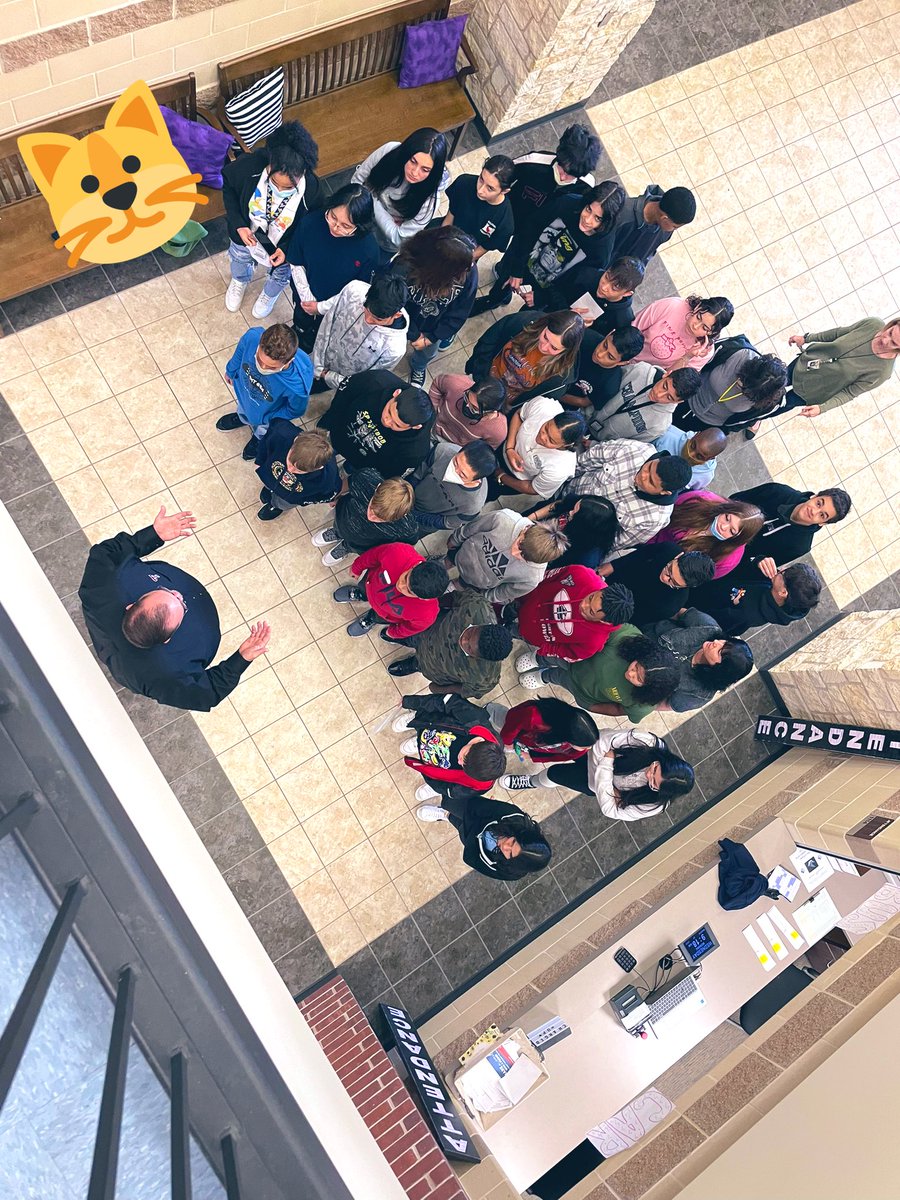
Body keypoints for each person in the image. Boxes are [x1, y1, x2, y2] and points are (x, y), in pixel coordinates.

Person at [78, 506, 271, 712]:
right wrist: (241, 658)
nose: (177, 592)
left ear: (132, 605)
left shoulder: (99, 589)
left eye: (164, 590)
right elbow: (208, 694)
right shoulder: (164, 677)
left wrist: (152, 535)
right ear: (167, 639)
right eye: (181, 605)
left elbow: (105, 552)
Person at [474, 123, 602, 313]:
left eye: (570, 174)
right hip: (515, 222)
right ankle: (500, 285)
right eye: (562, 167)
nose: (563, 175)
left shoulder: (587, 188)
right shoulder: (534, 162)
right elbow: (503, 177)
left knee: (513, 272)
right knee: (509, 264)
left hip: (545, 239)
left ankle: (497, 296)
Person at [222, 121, 322, 318]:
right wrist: (239, 225)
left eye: (288, 188)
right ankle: (240, 280)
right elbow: (229, 188)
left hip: (284, 247)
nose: (280, 190)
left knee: (281, 274)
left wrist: (287, 250)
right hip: (246, 235)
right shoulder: (249, 165)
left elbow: (311, 228)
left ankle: (269, 295)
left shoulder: (313, 191)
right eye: (275, 182)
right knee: (240, 259)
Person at [501, 729, 694, 825]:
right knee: (555, 745)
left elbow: (611, 811)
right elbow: (604, 741)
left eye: (653, 783)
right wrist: (610, 787)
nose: (648, 775)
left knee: (554, 774)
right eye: (654, 768)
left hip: (594, 782)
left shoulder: (655, 805)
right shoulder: (651, 743)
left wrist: (607, 763)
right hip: (591, 756)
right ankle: (528, 748)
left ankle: (531, 782)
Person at [501, 181, 626, 312]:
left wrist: (542, 297)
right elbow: (531, 227)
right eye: (588, 209)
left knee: (526, 319)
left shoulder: (601, 250)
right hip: (522, 258)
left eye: (597, 218)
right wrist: (516, 269)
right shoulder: (567, 203)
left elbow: (575, 283)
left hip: (548, 286)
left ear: (606, 221)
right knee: (502, 285)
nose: (587, 220)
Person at [519, 625, 680, 724]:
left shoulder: (643, 705)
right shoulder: (629, 638)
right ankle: (537, 658)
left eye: (638, 678)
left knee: (558, 678)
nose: (630, 673)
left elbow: (619, 710)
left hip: (582, 689)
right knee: (551, 657)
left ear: (648, 689)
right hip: (576, 658)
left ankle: (544, 677)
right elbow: (598, 633)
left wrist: (591, 706)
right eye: (636, 666)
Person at [285, 183, 381, 349]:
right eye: (333, 217)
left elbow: (358, 292)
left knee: (325, 332)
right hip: (304, 293)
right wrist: (306, 297)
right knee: (300, 319)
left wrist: (320, 307)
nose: (335, 228)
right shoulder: (312, 221)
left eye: (346, 226)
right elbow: (296, 259)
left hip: (335, 306)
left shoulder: (369, 251)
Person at [564, 441, 692, 557]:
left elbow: (614, 542)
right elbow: (586, 461)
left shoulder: (655, 519)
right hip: (565, 491)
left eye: (651, 481)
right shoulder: (635, 450)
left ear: (665, 492)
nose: (643, 475)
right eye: (648, 467)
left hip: (575, 533)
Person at [389, 225, 478, 383]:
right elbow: (393, 302)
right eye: (463, 266)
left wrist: (433, 337)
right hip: (402, 319)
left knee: (428, 353)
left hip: (433, 328)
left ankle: (418, 367)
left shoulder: (469, 273)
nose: (471, 266)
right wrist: (413, 333)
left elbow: (461, 311)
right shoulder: (404, 266)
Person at [386, 589, 513, 697]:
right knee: (411, 636)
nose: (463, 640)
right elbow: (454, 598)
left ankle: (414, 664)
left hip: (430, 666)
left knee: (421, 664)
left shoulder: (485, 678)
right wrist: (431, 608)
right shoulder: (477, 606)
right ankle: (405, 638)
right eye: (470, 633)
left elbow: (461, 690)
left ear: (480, 657)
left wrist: (439, 689)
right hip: (426, 632)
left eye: (468, 647)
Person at [218, 324, 313, 460]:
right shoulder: (253, 337)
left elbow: (295, 410)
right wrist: (231, 370)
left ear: (288, 361)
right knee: (243, 407)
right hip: (246, 393)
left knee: (264, 430)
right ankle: (242, 418)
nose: (262, 367)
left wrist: (270, 418)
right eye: (259, 359)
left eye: (271, 367)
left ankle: (258, 439)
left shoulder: (297, 385)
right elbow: (241, 351)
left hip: (268, 413)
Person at [317, 369, 434, 477]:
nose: (387, 422)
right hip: (337, 434)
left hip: (360, 464)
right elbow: (342, 398)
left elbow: (389, 473)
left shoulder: (415, 451)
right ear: (396, 393)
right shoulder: (374, 381)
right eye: (389, 411)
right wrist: (327, 424)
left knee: (346, 472)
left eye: (397, 425)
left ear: (415, 427)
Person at [392, 692, 506, 801]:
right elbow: (447, 702)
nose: (460, 762)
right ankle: (416, 723)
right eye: (464, 757)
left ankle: (421, 744)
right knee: (424, 723)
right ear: (476, 743)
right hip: (430, 724)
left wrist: (433, 782)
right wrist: (411, 702)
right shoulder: (475, 719)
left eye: (464, 767)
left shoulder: (480, 783)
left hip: (433, 759)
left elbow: (451, 790)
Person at [352, 127, 450, 253]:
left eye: (425, 170)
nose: (415, 172)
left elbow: (399, 238)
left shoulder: (430, 201)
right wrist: (389, 220)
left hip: (382, 244)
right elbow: (356, 181)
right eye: (413, 161)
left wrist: (369, 198)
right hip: (358, 220)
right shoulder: (390, 151)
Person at [414, 792, 551, 881]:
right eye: (513, 842)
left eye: (509, 854)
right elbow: (476, 806)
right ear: (521, 835)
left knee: (460, 826)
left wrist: (470, 837)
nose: (505, 845)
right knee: (452, 802)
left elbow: (471, 858)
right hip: (476, 815)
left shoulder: (510, 872)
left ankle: (446, 815)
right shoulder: (514, 817)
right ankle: (443, 795)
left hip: (472, 839)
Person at [511, 566, 634, 665]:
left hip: (529, 634)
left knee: (510, 632)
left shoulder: (593, 642)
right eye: (590, 597)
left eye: (591, 611)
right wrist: (522, 593)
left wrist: (545, 647)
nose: (583, 605)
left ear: (605, 622)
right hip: (523, 600)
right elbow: (546, 577)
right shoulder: (581, 573)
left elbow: (569, 654)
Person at [728, 483, 852, 580]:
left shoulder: (800, 546)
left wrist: (758, 561)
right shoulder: (778, 492)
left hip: (728, 558)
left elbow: (752, 568)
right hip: (723, 524)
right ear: (814, 496)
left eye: (822, 515)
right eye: (818, 503)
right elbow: (734, 500)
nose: (814, 511)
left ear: (822, 523)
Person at [466, 309, 584, 410]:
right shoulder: (524, 322)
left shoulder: (560, 377)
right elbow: (488, 341)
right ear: (545, 326)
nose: (544, 347)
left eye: (554, 347)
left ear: (566, 351)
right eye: (545, 337)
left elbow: (535, 402)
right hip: (480, 380)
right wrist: (479, 374)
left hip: (502, 406)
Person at [783, 317, 900, 417]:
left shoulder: (882, 372)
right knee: (769, 381)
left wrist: (822, 408)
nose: (885, 341)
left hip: (814, 390)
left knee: (778, 404)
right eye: (890, 333)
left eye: (894, 343)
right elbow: (838, 333)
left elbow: (850, 393)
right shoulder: (872, 324)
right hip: (807, 362)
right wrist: (806, 338)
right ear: (892, 324)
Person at [310, 274, 409, 391]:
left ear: (397, 315)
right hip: (317, 356)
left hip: (335, 379)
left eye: (378, 319)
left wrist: (329, 377)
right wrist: (317, 361)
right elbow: (330, 318)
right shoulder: (354, 289)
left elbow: (370, 379)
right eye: (366, 311)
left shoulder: (394, 348)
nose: (368, 320)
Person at [644, 609, 753, 712]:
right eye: (724, 642)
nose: (716, 642)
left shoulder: (700, 694)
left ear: (720, 669)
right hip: (643, 632)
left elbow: (666, 705)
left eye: (720, 651)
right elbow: (680, 612)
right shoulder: (709, 628)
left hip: (639, 675)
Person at [673, 334, 787, 433]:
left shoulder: (770, 403)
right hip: (686, 393)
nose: (740, 387)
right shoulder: (738, 351)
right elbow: (700, 359)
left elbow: (742, 422)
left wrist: (720, 431)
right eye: (742, 381)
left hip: (707, 423)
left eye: (748, 395)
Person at [447, 512, 568, 604]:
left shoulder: (532, 578)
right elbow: (473, 527)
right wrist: (455, 539)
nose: (514, 553)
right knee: (445, 562)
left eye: (525, 557)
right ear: (526, 529)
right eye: (520, 544)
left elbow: (502, 593)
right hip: (461, 552)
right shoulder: (503, 519)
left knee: (457, 587)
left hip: (474, 583)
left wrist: (481, 597)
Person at [332, 545, 447, 638]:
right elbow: (374, 555)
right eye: (406, 577)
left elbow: (410, 628)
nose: (400, 586)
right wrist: (357, 567)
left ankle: (370, 619)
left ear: (423, 598)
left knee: (377, 617)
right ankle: (360, 594)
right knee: (363, 589)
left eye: (409, 590)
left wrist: (393, 633)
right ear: (415, 566)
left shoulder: (426, 615)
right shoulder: (399, 552)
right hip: (370, 584)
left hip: (386, 615)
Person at [646, 491, 765, 579]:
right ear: (726, 509)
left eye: (732, 531)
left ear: (737, 539)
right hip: (649, 534)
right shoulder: (701, 500)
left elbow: (696, 576)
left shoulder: (727, 560)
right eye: (727, 518)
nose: (723, 526)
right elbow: (668, 510)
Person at [689, 561, 823, 637]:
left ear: (783, 592)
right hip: (702, 582)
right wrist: (759, 561)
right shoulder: (771, 584)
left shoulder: (748, 615)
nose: (780, 569)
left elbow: (710, 624)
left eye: (783, 573)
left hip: (690, 602)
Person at [312, 471, 417, 566]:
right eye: (372, 508)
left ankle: (346, 547)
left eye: (380, 519)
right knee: (339, 527)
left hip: (363, 542)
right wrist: (335, 497)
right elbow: (346, 484)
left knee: (355, 546)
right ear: (377, 488)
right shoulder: (366, 478)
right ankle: (336, 532)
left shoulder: (407, 528)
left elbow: (403, 547)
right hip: (344, 518)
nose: (371, 517)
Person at [600, 545, 716, 628]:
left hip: (617, 604)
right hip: (618, 577)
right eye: (669, 568)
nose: (666, 578)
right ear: (679, 556)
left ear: (691, 585)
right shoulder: (669, 550)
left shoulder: (670, 605)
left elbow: (633, 618)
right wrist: (613, 565)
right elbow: (642, 553)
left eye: (673, 582)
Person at [584, 363, 701, 444]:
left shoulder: (660, 425)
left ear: (678, 402)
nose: (659, 395)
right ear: (666, 374)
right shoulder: (641, 370)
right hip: (583, 412)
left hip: (595, 443)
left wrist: (594, 445)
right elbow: (607, 381)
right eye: (664, 386)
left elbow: (627, 445)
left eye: (668, 397)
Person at [492, 400, 585, 499]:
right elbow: (519, 414)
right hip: (502, 447)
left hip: (512, 478)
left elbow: (532, 488)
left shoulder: (561, 469)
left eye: (551, 440)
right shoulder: (544, 406)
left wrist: (501, 475)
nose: (542, 437)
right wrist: (510, 448)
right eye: (545, 428)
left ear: (567, 445)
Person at [254, 424, 341, 521]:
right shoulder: (280, 432)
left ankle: (275, 505)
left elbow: (327, 494)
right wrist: (260, 461)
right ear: (295, 440)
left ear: (318, 468)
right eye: (290, 461)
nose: (290, 470)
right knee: (269, 483)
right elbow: (266, 443)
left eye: (299, 470)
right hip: (271, 477)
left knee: (282, 503)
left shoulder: (328, 478)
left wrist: (302, 501)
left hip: (290, 497)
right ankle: (269, 490)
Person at [541, 256, 644, 336]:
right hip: (547, 320)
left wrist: (583, 331)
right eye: (606, 277)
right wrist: (567, 313)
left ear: (627, 293)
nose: (604, 287)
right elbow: (556, 288)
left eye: (614, 288)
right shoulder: (586, 274)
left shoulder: (623, 319)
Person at [409, 440, 494, 534]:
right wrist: (405, 496)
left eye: (462, 475)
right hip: (409, 496)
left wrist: (413, 516)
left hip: (422, 524)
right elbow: (417, 474)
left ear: (476, 480)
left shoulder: (473, 505)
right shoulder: (443, 451)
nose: (454, 471)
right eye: (455, 462)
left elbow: (445, 522)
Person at [633, 295, 734, 372]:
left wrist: (688, 357)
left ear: (712, 332)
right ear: (698, 306)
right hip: (626, 353)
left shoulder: (704, 351)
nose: (695, 326)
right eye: (698, 317)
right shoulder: (672, 306)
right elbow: (633, 328)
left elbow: (669, 380)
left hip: (645, 376)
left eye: (704, 328)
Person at [441, 155, 515, 260]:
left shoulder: (505, 223)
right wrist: (441, 242)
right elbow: (450, 217)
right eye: (481, 179)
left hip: (467, 254)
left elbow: (482, 249)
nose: (480, 190)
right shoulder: (464, 183)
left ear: (504, 191)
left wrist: (458, 261)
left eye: (490, 188)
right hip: (449, 233)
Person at [523, 494, 621, 570]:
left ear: (584, 526)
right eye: (574, 507)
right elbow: (557, 505)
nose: (569, 512)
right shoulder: (576, 504)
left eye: (574, 513)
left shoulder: (585, 558)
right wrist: (529, 518)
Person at [490, 697, 599, 764]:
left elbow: (557, 757)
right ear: (567, 736)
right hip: (515, 726)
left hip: (529, 742)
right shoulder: (534, 716)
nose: (588, 749)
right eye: (583, 746)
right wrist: (506, 742)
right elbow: (512, 725)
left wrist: (531, 756)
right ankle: (488, 711)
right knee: (500, 719)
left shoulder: (575, 750)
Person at [609, 184, 696, 266]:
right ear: (664, 218)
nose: (673, 230)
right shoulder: (622, 214)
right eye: (675, 227)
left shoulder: (664, 231)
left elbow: (647, 254)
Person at [562, 325, 645, 411]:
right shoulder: (584, 336)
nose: (599, 354)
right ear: (609, 334)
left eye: (610, 357)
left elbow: (583, 402)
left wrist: (555, 394)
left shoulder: (610, 385)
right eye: (605, 345)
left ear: (623, 363)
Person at [429, 375, 508, 450]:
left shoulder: (498, 430)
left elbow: (482, 450)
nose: (466, 405)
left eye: (474, 407)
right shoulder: (456, 383)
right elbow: (437, 383)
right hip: (433, 427)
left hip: (454, 448)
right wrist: (432, 411)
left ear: (491, 412)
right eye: (466, 397)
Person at [652, 426, 726, 493]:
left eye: (699, 456)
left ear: (711, 458)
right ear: (696, 435)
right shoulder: (668, 434)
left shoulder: (705, 476)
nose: (690, 454)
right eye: (693, 446)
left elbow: (688, 493)